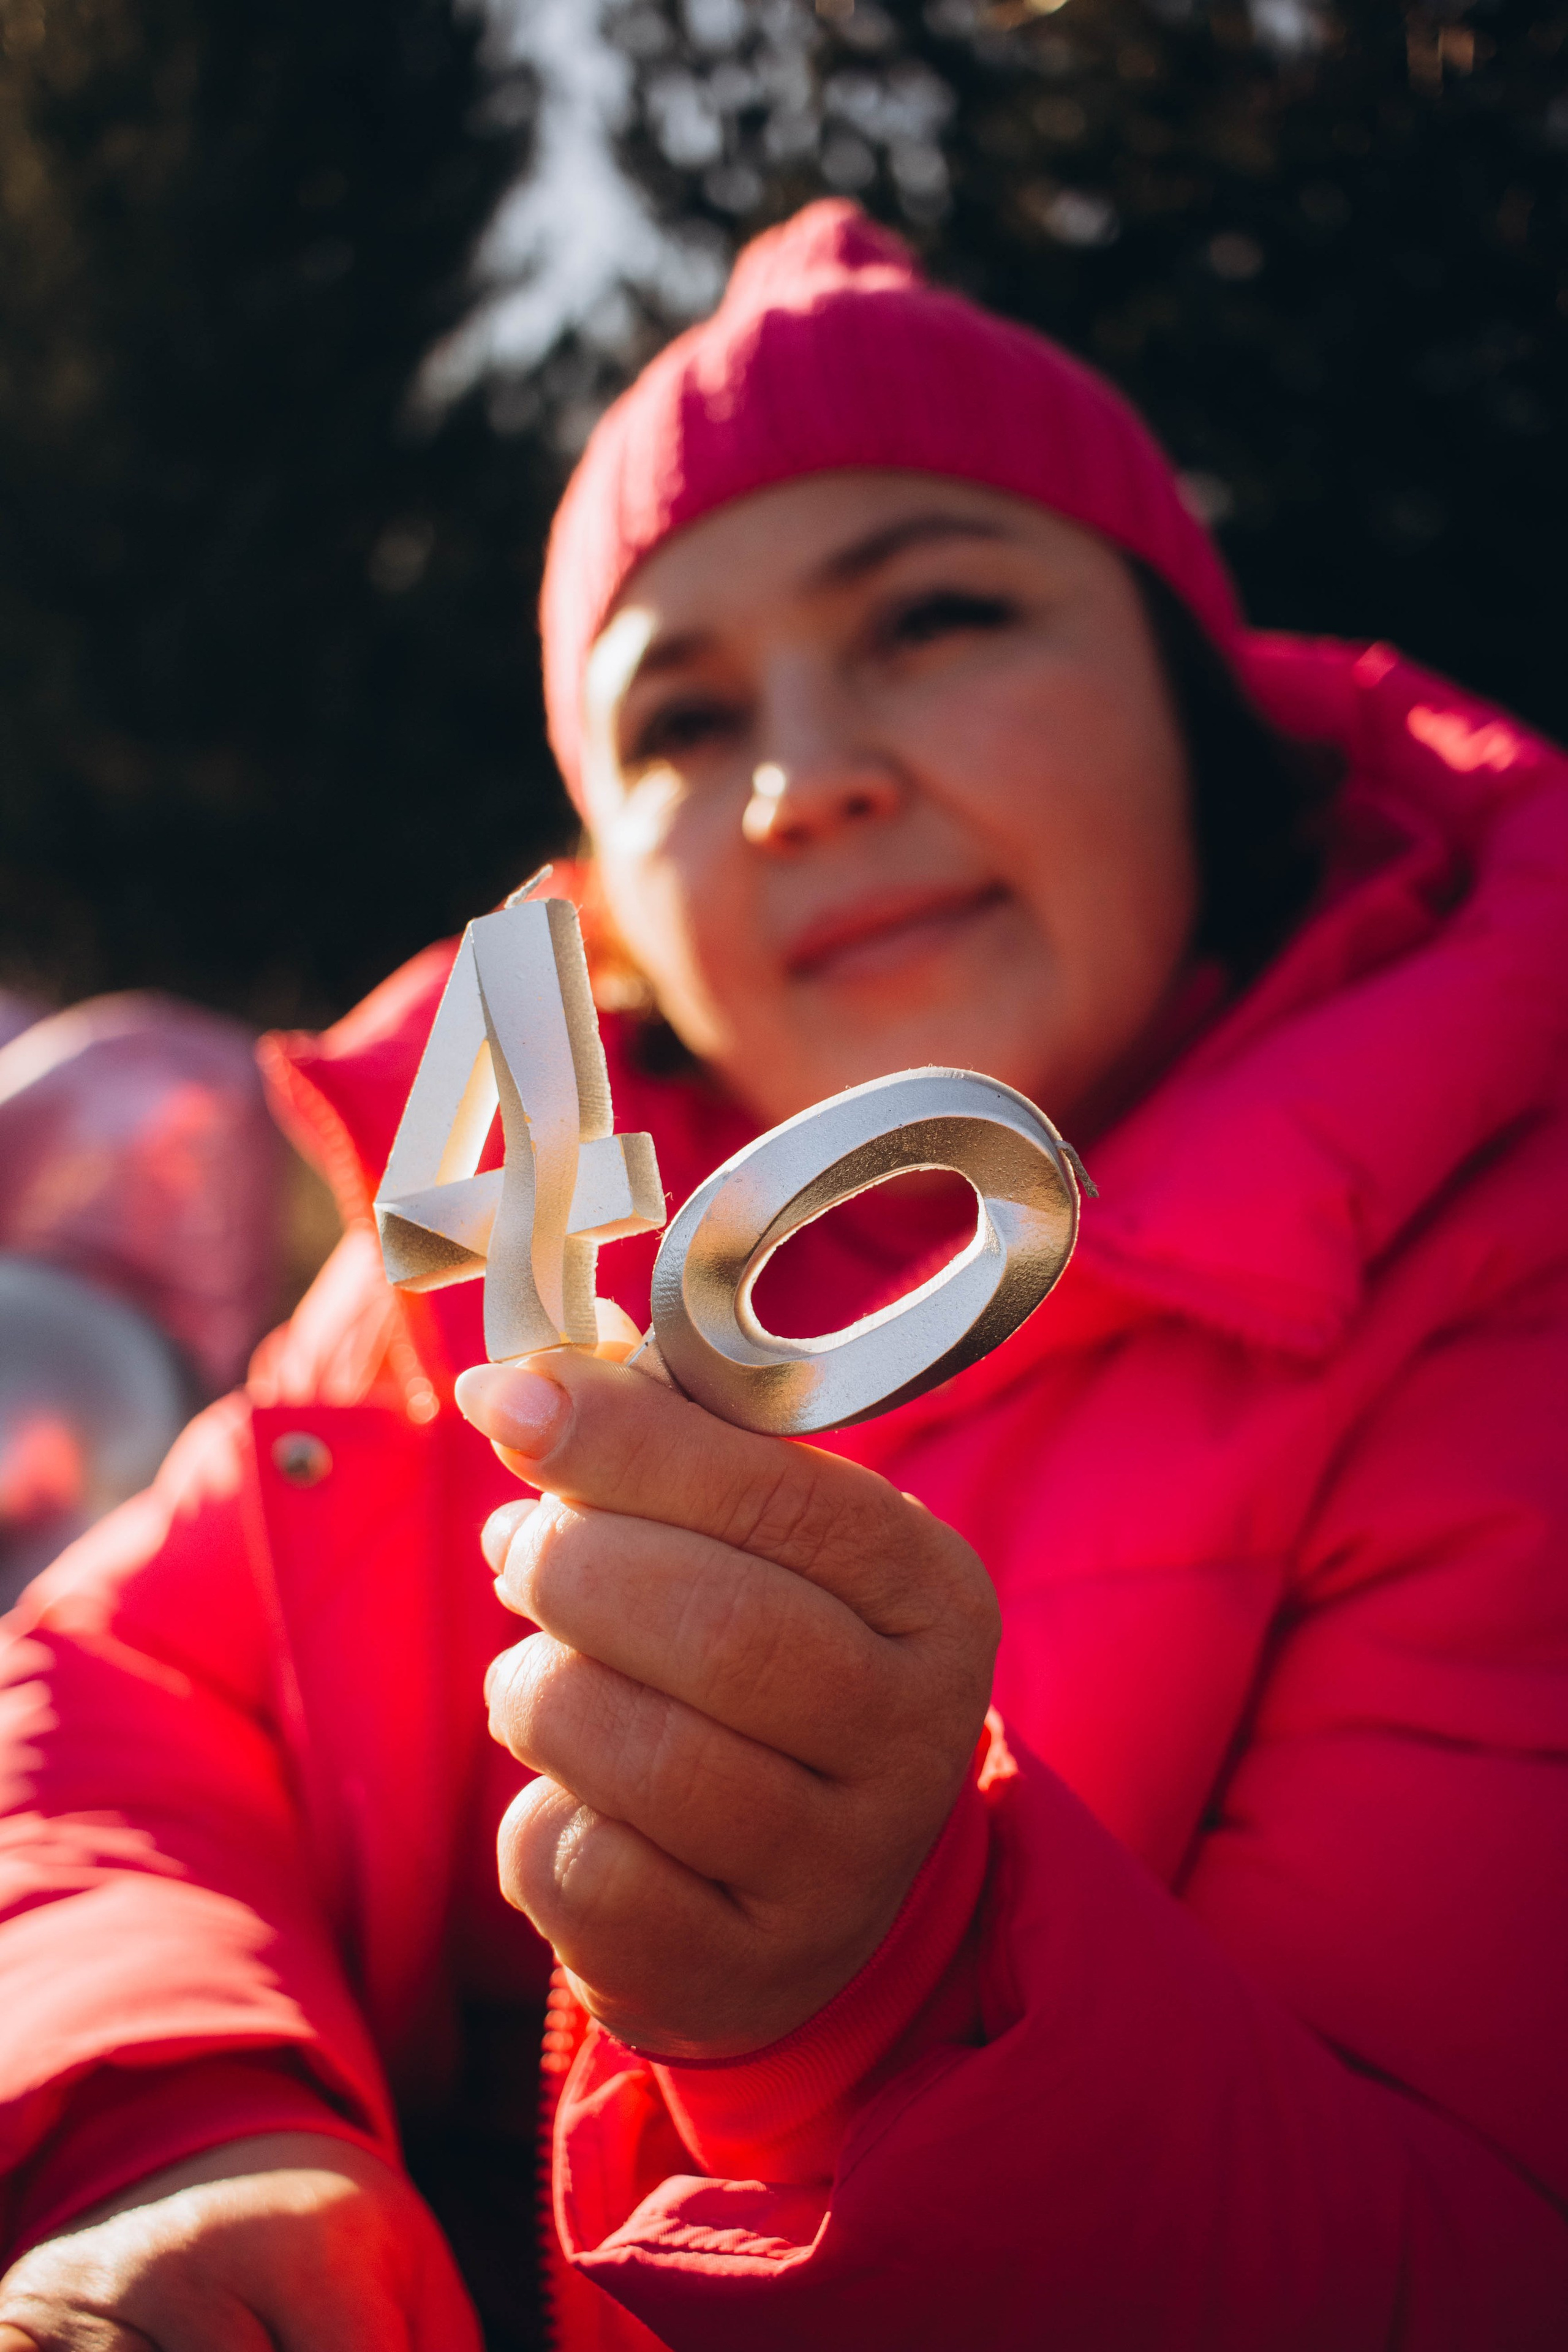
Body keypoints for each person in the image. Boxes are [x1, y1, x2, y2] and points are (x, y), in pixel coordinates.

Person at [1, 199, 1565, 2351]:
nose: (798, 786)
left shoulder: (1508, 1280)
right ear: (610, 889)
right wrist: (188, 2127)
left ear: (1205, 714)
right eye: (678, 720)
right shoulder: (483, 1273)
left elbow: (1471, 2263)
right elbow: (104, 1700)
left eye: (933, 615)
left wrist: (899, 2005)